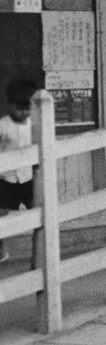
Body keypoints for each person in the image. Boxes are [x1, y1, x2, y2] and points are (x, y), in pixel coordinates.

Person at [0, 79, 37, 264]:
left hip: (28, 177)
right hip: (7, 179)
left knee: (38, 213)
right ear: (10, 106)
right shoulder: (3, 125)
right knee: (2, 215)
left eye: (27, 108)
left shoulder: (34, 124)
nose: (24, 112)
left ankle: (39, 255)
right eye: (19, 108)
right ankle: (1, 250)